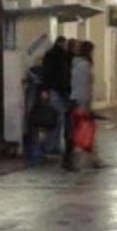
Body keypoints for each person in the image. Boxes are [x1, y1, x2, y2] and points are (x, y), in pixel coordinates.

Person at [69, 41, 104, 170]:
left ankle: (93, 158)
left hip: (77, 100)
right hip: (81, 102)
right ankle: (80, 159)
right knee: (85, 131)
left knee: (85, 130)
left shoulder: (77, 65)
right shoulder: (84, 66)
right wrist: (86, 105)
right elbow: (84, 87)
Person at [42, 37, 73, 166]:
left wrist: (45, 89)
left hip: (56, 90)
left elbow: (46, 73)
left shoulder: (51, 55)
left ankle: (52, 145)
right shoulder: (61, 56)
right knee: (56, 119)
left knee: (56, 119)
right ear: (61, 43)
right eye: (64, 44)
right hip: (59, 91)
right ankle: (51, 146)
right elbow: (54, 74)